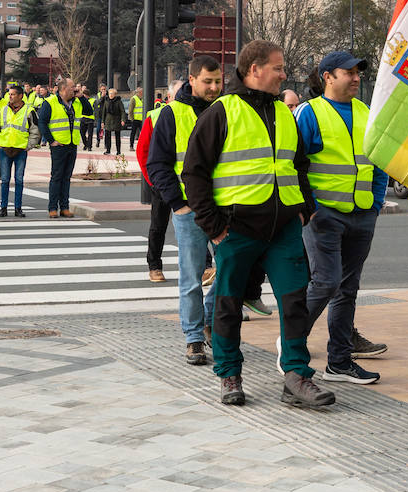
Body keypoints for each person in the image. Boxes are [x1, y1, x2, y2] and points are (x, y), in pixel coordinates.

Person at [182, 40, 330, 409]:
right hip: (237, 228)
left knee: (294, 300)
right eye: (278, 68)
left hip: (283, 228)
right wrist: (214, 226)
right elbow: (194, 173)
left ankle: (296, 375)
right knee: (229, 304)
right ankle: (229, 374)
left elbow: (297, 166)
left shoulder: (283, 113)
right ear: (254, 71)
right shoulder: (221, 112)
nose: (284, 74)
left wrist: (304, 207)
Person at [296, 51, 391, 385]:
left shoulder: (366, 113)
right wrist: (309, 208)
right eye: (348, 72)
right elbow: (295, 164)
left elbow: (378, 162)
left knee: (347, 288)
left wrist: (376, 203)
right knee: (326, 281)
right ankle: (293, 341)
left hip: (362, 214)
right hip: (324, 215)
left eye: (358, 73)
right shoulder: (309, 113)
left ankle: (339, 361)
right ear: (327, 76)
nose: (355, 78)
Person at [147, 59, 223, 364]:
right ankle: (194, 338)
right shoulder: (172, 113)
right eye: (208, 81)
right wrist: (178, 203)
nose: (214, 88)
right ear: (191, 79)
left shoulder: (228, 110)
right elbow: (157, 163)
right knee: (191, 277)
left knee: (229, 272)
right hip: (189, 209)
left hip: (224, 206)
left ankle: (208, 320)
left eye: (218, 81)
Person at [137, 80, 179, 283]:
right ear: (168, 98)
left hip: (187, 181)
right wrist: (152, 180)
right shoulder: (154, 117)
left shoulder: (195, 114)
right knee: (158, 225)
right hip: (162, 181)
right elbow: (142, 151)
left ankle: (205, 265)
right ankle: (154, 266)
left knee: (196, 224)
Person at [37, 78, 81, 218]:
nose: (74, 89)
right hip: (59, 146)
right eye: (72, 87)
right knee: (57, 177)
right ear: (63, 89)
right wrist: (51, 140)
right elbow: (42, 123)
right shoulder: (50, 103)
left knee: (66, 178)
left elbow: (88, 110)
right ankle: (52, 208)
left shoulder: (76, 102)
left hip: (72, 144)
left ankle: (64, 207)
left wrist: (81, 96)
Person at [0, 83, 38, 217]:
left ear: (21, 96)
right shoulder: (3, 110)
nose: (10, 96)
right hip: (5, 150)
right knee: (5, 180)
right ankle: (3, 208)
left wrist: (28, 146)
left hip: (20, 151)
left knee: (19, 180)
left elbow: (35, 131)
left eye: (13, 94)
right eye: (9, 94)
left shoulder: (29, 111)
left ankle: (18, 208)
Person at [102, 87, 125, 155]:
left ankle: (118, 151)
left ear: (115, 94)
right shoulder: (106, 101)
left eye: (112, 94)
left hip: (116, 120)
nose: (111, 95)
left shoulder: (119, 101)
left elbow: (122, 111)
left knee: (117, 136)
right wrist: (103, 121)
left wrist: (123, 120)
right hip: (108, 120)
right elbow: (104, 112)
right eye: (109, 93)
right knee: (107, 136)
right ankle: (108, 150)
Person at [77, 84, 96, 151]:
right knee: (82, 133)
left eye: (84, 94)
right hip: (83, 118)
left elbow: (95, 110)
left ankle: (89, 146)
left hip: (90, 119)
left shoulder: (93, 100)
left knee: (90, 134)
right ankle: (86, 144)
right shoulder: (80, 100)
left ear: (87, 95)